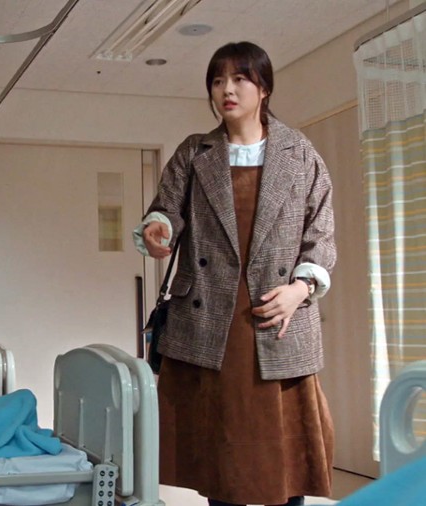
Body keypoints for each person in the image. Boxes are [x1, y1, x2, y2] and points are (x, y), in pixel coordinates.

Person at [134, 42, 335, 506]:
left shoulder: (300, 153)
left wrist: (300, 289)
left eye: (240, 79)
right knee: (219, 457)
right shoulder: (194, 152)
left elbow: (321, 233)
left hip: (278, 316)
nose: (227, 89)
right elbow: (165, 210)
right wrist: (157, 228)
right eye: (218, 80)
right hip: (209, 320)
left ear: (263, 88)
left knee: (285, 457)